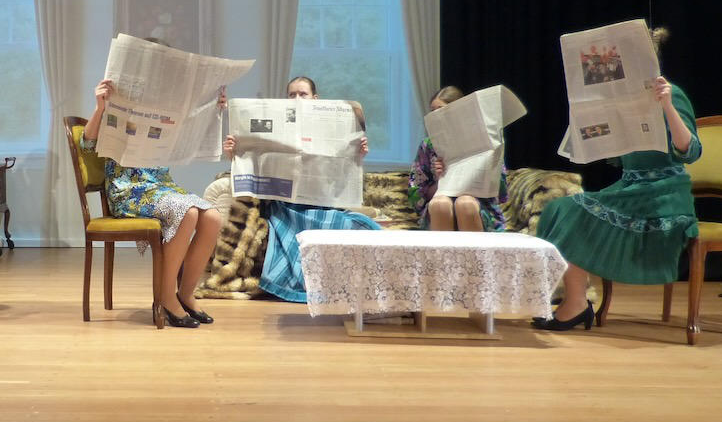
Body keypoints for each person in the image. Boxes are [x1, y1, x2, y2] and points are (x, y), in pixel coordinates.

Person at [533, 27, 701, 331]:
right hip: (629, 188)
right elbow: (615, 152)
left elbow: (690, 150)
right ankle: (574, 299)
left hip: (663, 193)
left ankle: (576, 304)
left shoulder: (671, 93)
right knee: (559, 207)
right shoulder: (621, 100)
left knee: (571, 210)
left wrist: (666, 106)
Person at [222, 76, 379, 303]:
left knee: (365, 227)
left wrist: (358, 154)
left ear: (315, 98)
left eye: (302, 94)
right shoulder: (276, 128)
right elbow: (255, 167)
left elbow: (341, 176)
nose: (297, 98)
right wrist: (235, 154)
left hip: (322, 207)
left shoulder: (331, 128)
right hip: (285, 209)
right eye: (292, 94)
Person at [82, 78, 223, 328]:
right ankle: (165, 298)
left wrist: (213, 109)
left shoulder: (160, 111)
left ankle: (186, 294)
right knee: (187, 212)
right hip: (130, 191)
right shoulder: (113, 112)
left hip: (162, 187)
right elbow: (87, 144)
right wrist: (99, 108)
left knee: (213, 217)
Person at [407, 85, 509, 232]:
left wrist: (488, 168)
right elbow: (416, 195)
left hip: (478, 206)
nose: (435, 116)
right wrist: (440, 180)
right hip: (439, 205)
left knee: (465, 203)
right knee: (440, 204)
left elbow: (502, 192)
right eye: (432, 111)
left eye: (441, 110)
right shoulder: (428, 146)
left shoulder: (483, 141)